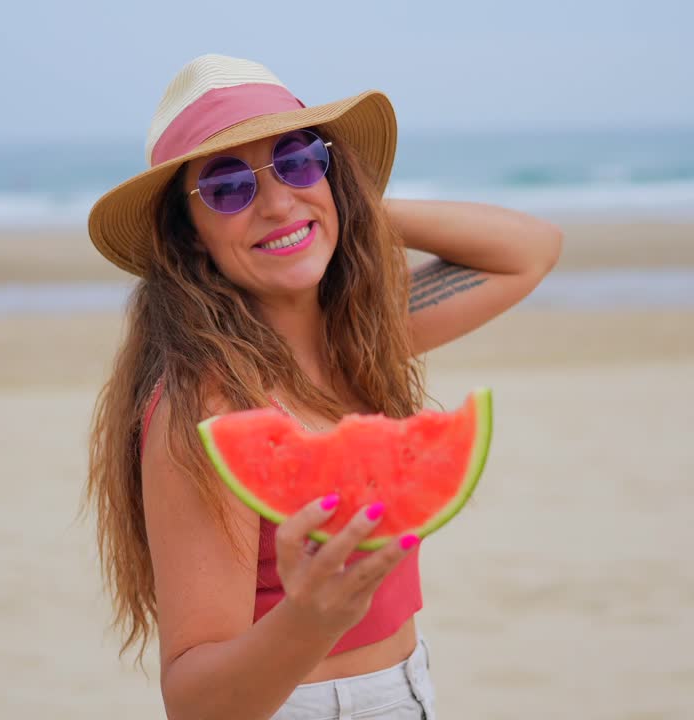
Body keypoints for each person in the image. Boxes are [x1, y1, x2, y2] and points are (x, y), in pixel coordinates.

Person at [84, 54, 562, 719]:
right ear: (188, 235)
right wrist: (310, 618)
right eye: (228, 187)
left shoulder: (363, 338)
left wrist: (345, 207)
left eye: (299, 158)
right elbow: (193, 703)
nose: (277, 200)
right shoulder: (205, 408)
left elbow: (530, 249)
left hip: (412, 688)